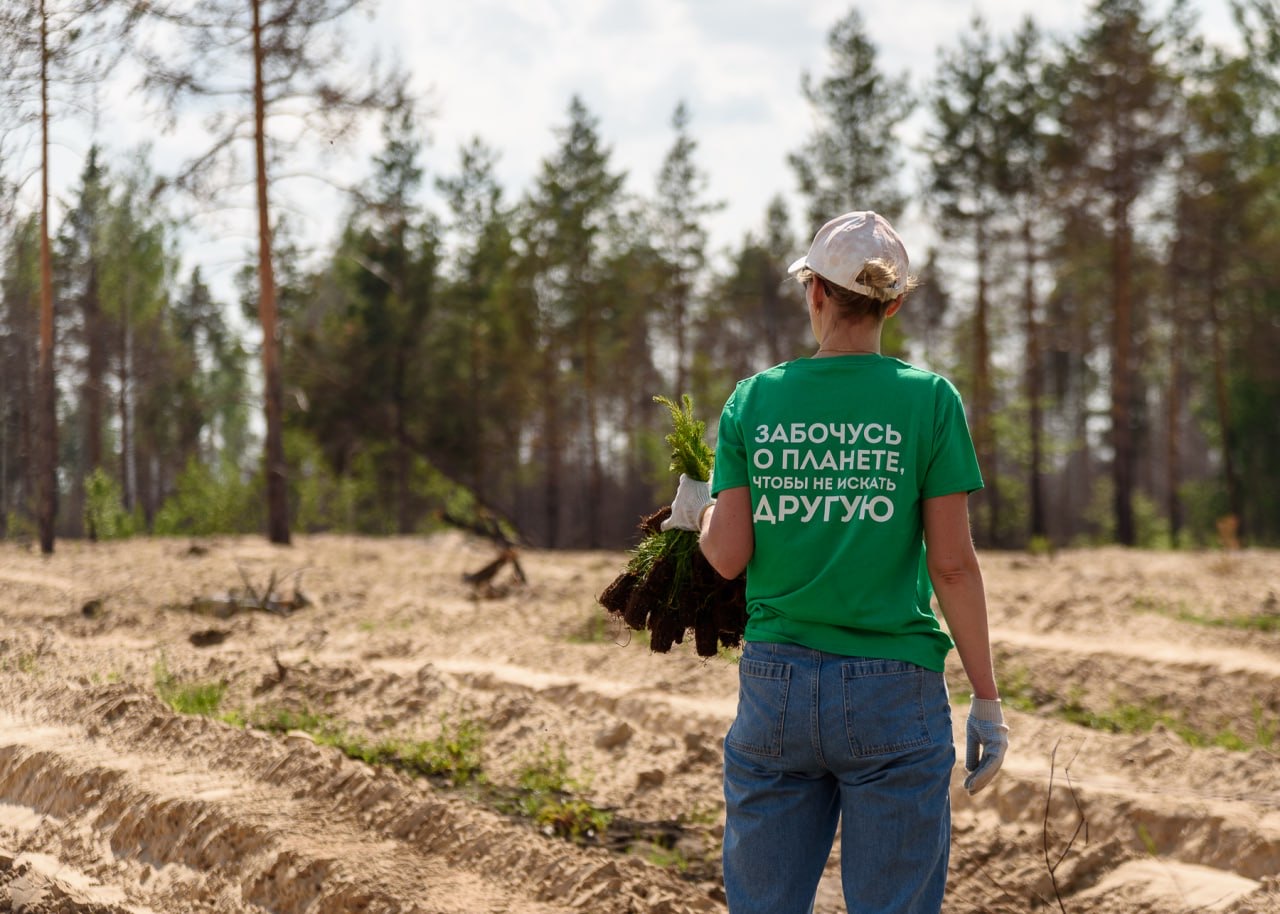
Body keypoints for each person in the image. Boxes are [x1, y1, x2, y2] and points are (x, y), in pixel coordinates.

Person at [661, 211, 1007, 914]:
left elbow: (727, 558)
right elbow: (953, 569)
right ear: (895, 304)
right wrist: (988, 702)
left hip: (775, 689)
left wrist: (698, 511)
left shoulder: (754, 401)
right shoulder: (930, 402)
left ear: (814, 291)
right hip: (895, 696)